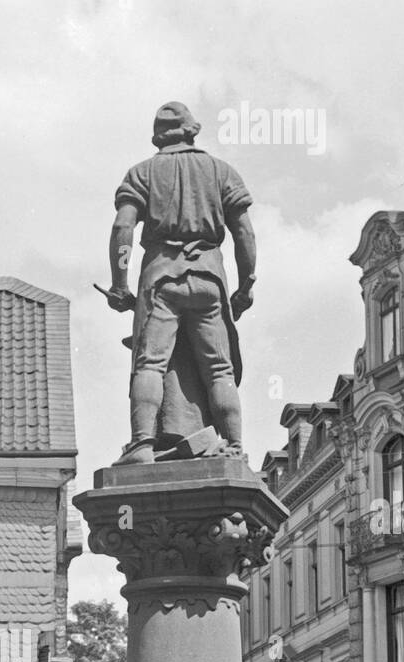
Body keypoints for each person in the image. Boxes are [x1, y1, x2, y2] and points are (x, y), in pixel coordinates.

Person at [105, 101, 257, 465]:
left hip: (160, 279)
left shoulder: (141, 173)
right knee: (220, 369)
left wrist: (119, 282)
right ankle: (234, 447)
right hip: (208, 278)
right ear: (192, 130)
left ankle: (142, 445)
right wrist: (246, 285)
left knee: (150, 365)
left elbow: (122, 228)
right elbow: (245, 233)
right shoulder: (221, 171)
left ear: (158, 135)